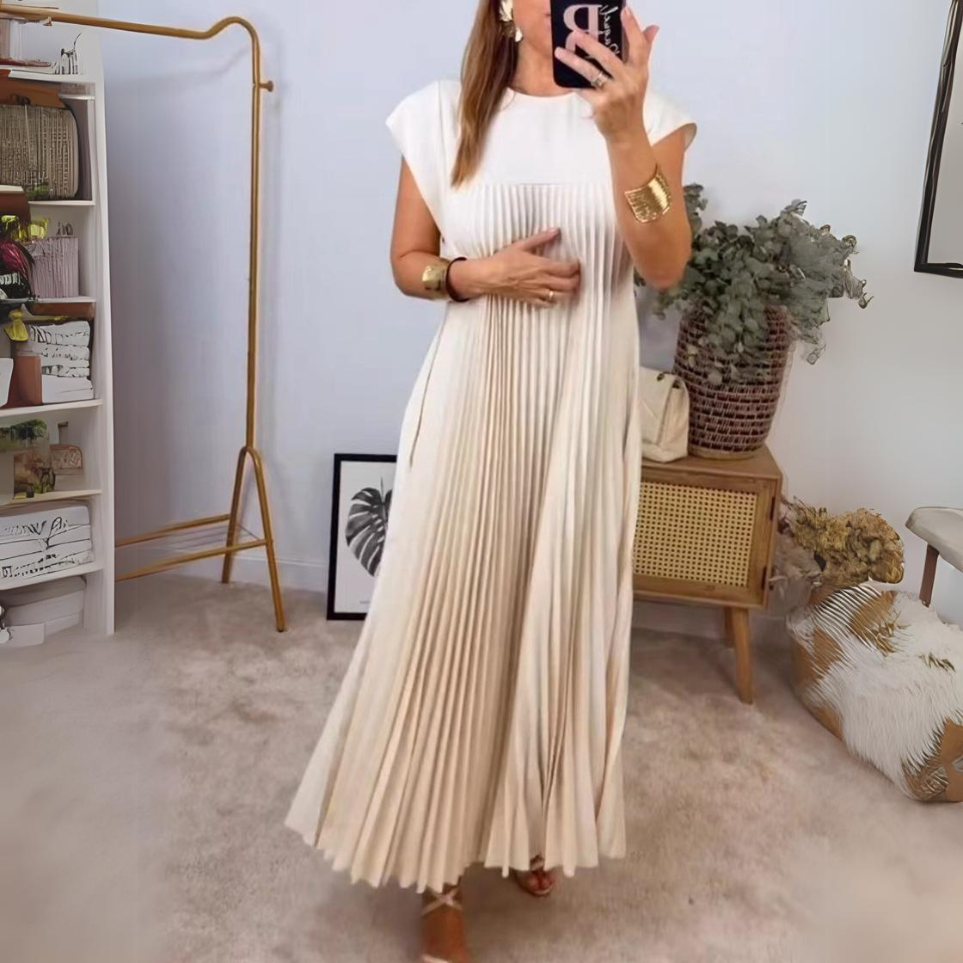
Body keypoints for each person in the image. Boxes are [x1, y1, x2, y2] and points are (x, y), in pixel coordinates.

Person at [285, 2, 696, 960]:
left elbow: (664, 263)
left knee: (554, 617)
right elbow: (409, 262)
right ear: (506, 7)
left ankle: (525, 818)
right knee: (451, 619)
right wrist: (474, 276)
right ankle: (437, 867)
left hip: (578, 413)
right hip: (473, 403)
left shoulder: (650, 115)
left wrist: (624, 135)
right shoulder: (441, 114)